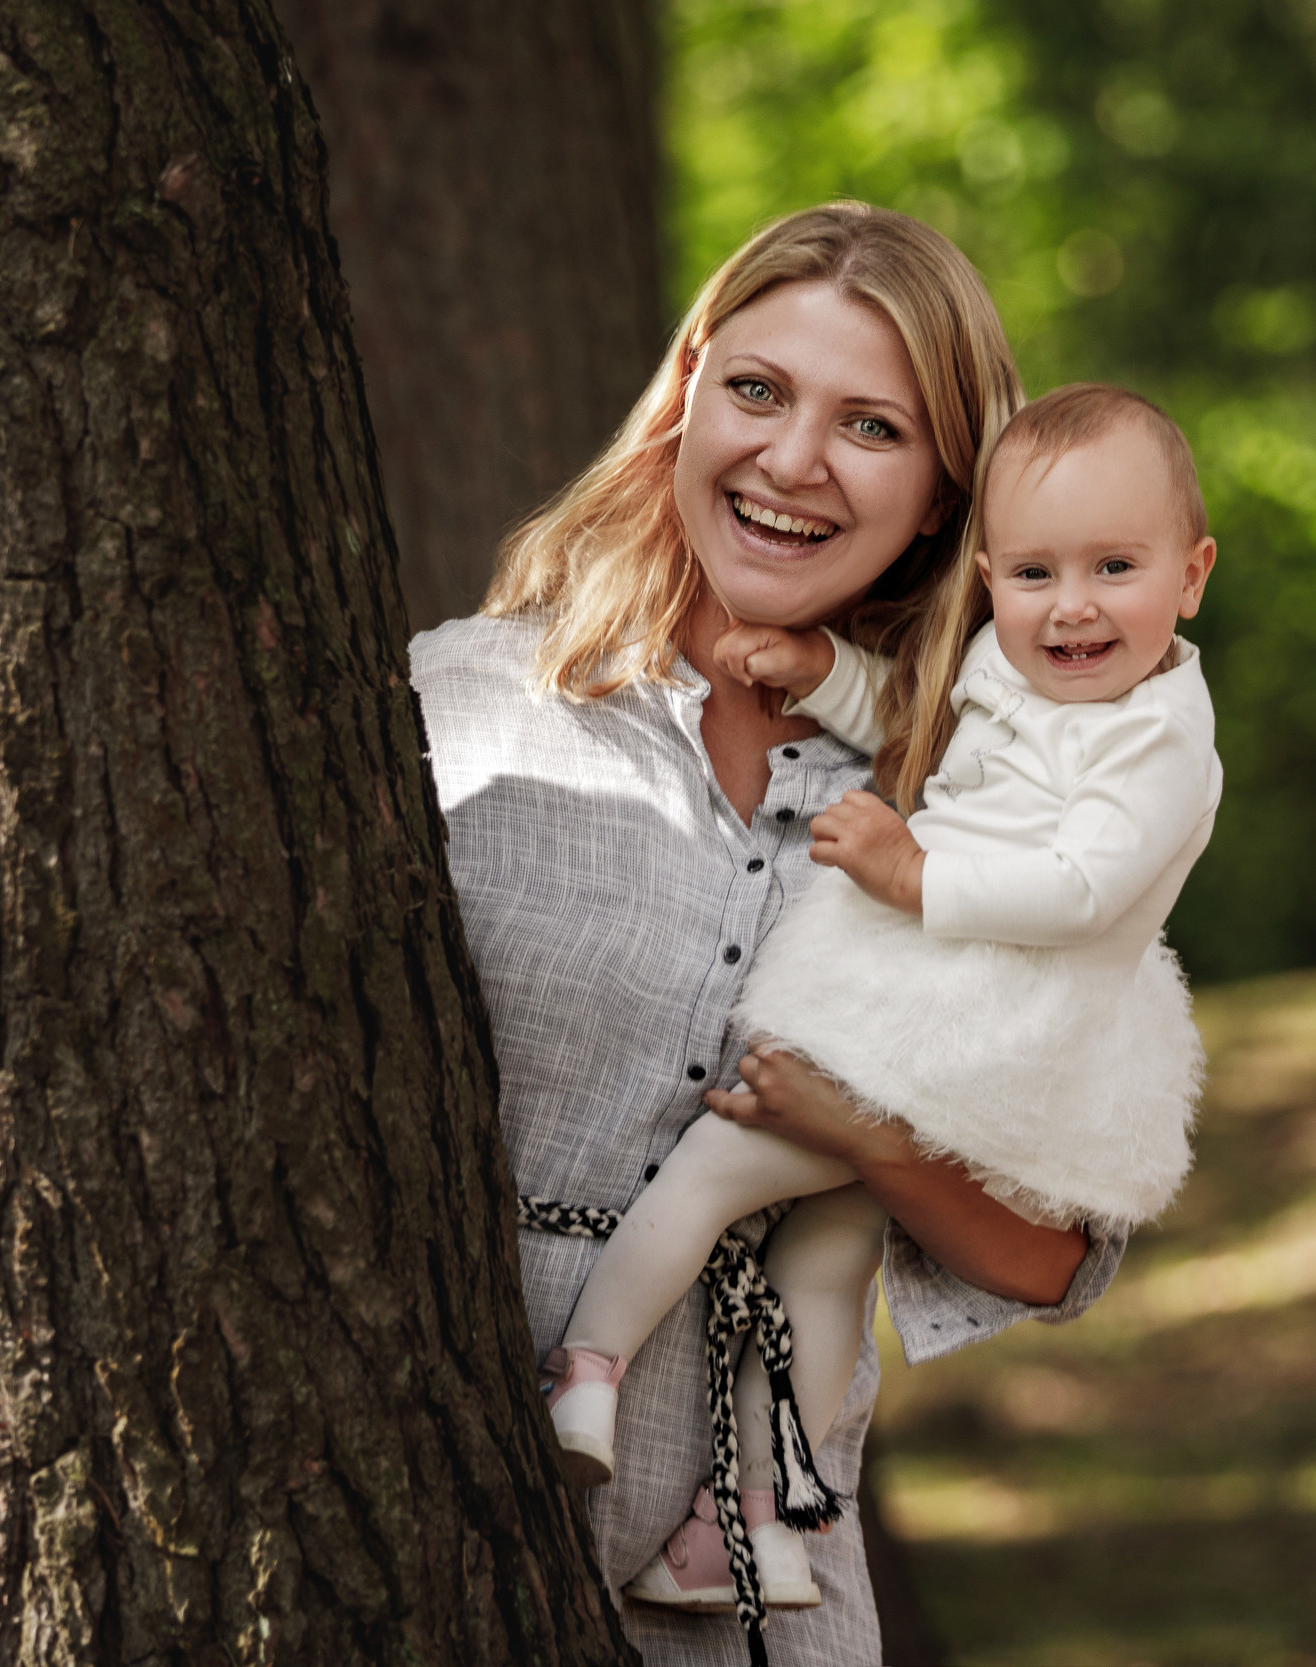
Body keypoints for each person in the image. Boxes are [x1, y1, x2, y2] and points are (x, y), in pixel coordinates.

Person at [408, 203, 1122, 1665]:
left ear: (941, 496)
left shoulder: (974, 813)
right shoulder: (456, 710)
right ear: (684, 400)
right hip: (433, 1536)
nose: (794, 461)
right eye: (757, 392)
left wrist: (868, 1136)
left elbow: (1054, 1257)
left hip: (748, 1602)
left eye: (872, 425)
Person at [544, 383, 1220, 1611]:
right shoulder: (1025, 666)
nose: (1069, 606)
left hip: (972, 1018)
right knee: (826, 1256)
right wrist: (824, 671)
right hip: (957, 1010)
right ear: (988, 573)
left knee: (715, 1164)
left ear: (1192, 575)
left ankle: (584, 1367)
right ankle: (748, 1526)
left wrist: (913, 872)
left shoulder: (1158, 738)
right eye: (1031, 573)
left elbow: (1083, 885)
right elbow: (923, 718)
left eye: (1114, 566)